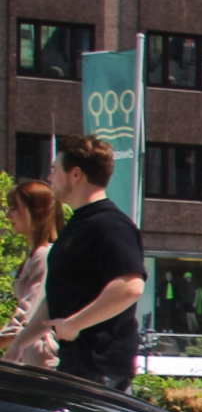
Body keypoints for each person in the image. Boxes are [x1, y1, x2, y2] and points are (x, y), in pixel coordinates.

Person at [44, 135, 145, 393]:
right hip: (79, 363)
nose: (50, 177)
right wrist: (20, 343)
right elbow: (59, 295)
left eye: (55, 170)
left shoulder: (110, 225)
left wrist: (74, 324)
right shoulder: (78, 224)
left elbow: (130, 286)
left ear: (75, 174)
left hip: (100, 368)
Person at [3, 177, 60, 370]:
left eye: (14, 208)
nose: (8, 215)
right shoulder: (35, 255)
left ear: (32, 212)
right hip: (31, 354)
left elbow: (26, 315)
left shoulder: (44, 256)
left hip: (41, 359)